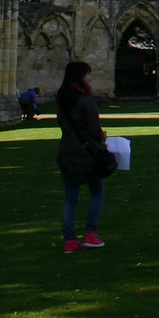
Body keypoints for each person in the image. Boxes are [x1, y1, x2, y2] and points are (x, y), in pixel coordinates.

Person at [55, 61, 108, 254]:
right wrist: (101, 138)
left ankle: (70, 241)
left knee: (70, 198)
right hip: (86, 154)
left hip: (66, 152)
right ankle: (90, 234)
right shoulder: (86, 100)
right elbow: (94, 129)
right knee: (97, 192)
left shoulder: (62, 100)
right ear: (79, 77)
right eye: (87, 74)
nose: (89, 78)